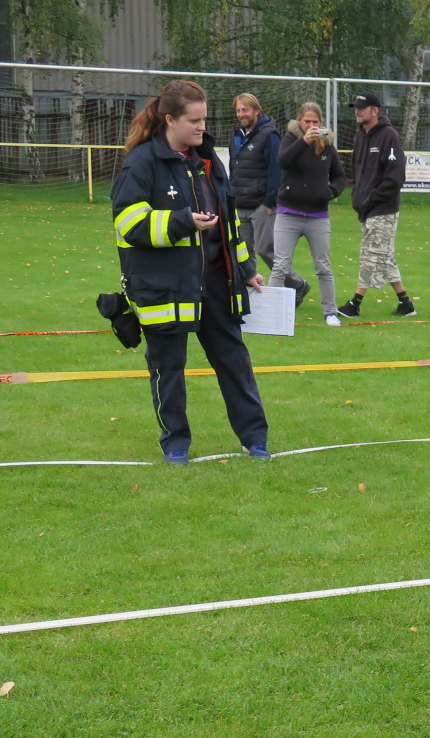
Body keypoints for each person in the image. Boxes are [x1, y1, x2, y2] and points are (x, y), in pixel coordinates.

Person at [111, 79, 269, 465]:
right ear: (170, 120)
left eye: (204, 119)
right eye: (194, 121)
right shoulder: (141, 163)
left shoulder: (209, 161)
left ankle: (255, 440)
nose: (202, 127)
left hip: (215, 282)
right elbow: (128, 224)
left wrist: (246, 268)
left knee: (234, 361)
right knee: (168, 368)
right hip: (165, 286)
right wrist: (182, 221)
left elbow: (230, 222)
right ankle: (175, 444)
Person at [339, 92, 413, 318]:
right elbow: (357, 172)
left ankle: (355, 304)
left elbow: (395, 177)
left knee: (370, 257)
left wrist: (371, 198)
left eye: (362, 107)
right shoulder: (360, 136)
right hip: (366, 209)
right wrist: (357, 196)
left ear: (375, 110)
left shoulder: (389, 136)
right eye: (355, 107)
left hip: (383, 209)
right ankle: (406, 304)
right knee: (384, 256)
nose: (357, 111)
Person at [271, 103, 346, 326]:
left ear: (321, 122)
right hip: (288, 213)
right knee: (280, 265)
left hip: (317, 216)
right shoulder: (290, 140)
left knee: (323, 266)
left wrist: (329, 192)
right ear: (299, 121)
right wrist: (303, 142)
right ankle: (271, 313)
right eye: (307, 121)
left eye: (315, 122)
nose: (311, 125)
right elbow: (282, 161)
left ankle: (330, 312)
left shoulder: (327, 145)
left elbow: (340, 177)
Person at [229, 93, 280, 281]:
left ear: (257, 111)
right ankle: (250, 291)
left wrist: (269, 203)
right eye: (238, 110)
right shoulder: (236, 135)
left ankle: (297, 285)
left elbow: (276, 171)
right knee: (244, 253)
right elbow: (233, 170)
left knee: (266, 251)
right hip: (240, 204)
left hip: (261, 205)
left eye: (245, 110)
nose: (241, 114)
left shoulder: (270, 136)